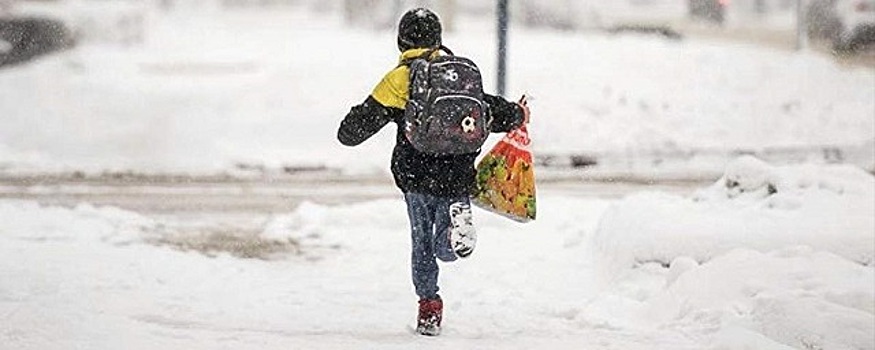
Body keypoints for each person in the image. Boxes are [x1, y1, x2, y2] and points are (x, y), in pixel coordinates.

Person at [336, 7, 529, 336]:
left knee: (422, 243)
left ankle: (429, 307)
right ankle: (455, 235)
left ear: (402, 41)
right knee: (445, 244)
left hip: (417, 175)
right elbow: (488, 108)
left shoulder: (401, 78)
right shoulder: (459, 73)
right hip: (458, 174)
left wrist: (352, 123)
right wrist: (517, 113)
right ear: (439, 38)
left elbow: (353, 131)